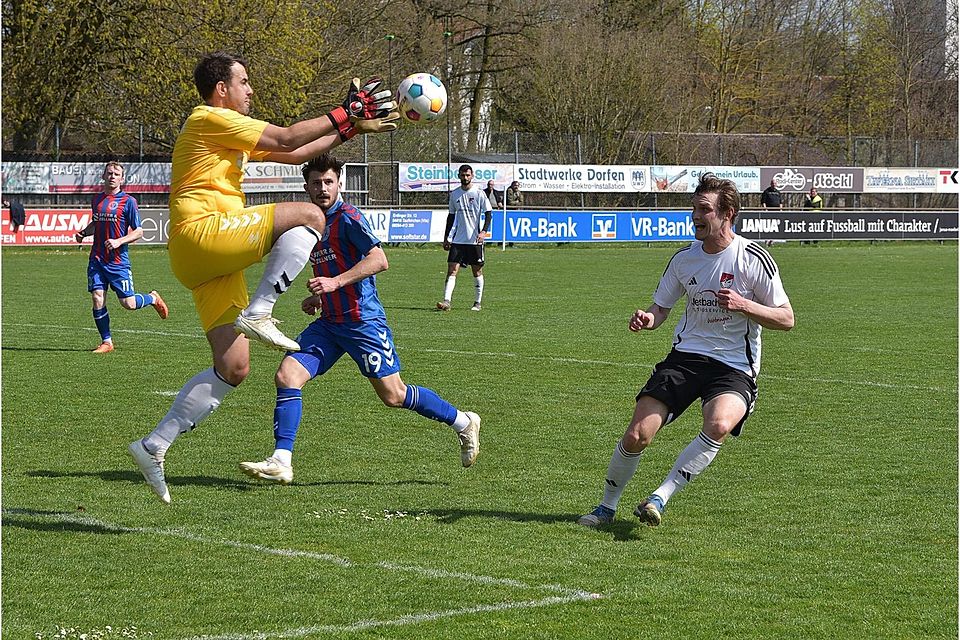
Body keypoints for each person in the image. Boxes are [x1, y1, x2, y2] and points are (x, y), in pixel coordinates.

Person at [128, 52, 399, 504]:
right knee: (311, 215)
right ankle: (261, 310)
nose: (250, 90)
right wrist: (345, 111)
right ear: (222, 89)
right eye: (244, 82)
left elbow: (295, 153)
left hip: (202, 260)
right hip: (203, 233)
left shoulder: (224, 129)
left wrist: (349, 128)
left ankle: (154, 445)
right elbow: (287, 135)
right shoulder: (209, 117)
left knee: (234, 367)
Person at [239, 154, 481, 484]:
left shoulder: (348, 217)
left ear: (339, 183)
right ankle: (281, 460)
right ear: (306, 187)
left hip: (362, 322)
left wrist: (334, 283)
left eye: (328, 182)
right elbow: (332, 265)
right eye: (316, 183)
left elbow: (379, 260)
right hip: (329, 324)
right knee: (287, 375)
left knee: (393, 395)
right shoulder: (309, 223)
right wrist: (320, 296)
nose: (323, 188)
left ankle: (463, 422)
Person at [578, 173, 794, 529]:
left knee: (719, 424)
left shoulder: (753, 259)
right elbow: (661, 309)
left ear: (727, 214)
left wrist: (744, 305)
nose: (695, 216)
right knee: (637, 434)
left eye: (704, 209)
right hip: (686, 358)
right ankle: (606, 507)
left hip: (734, 366)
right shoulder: (684, 259)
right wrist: (648, 318)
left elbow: (786, 318)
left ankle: (659, 497)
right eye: (694, 208)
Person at [74, 161, 169, 353]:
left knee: (128, 304)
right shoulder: (97, 200)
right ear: (103, 176)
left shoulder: (128, 201)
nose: (112, 176)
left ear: (122, 179)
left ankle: (152, 298)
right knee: (97, 298)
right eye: (109, 173)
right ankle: (107, 342)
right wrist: (84, 233)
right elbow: (96, 223)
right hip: (97, 259)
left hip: (117, 262)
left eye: (116, 174)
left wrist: (119, 241)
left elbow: (139, 231)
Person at [436, 164, 492, 312]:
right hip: (458, 240)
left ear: (472, 176)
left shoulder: (479, 193)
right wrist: (446, 237)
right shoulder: (455, 194)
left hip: (474, 240)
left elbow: (488, 214)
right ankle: (446, 301)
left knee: (477, 271)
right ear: (459, 176)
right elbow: (451, 216)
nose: (465, 177)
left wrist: (483, 232)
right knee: (452, 269)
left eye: (467, 175)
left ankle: (477, 302)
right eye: (463, 175)